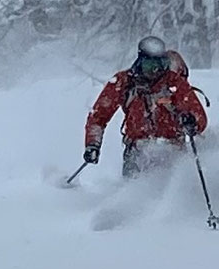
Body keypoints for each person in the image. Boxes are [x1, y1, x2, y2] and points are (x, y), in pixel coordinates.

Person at [83, 35, 208, 177]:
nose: (155, 72)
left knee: (173, 191)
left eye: (159, 65)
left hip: (172, 151)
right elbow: (99, 116)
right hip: (137, 152)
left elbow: (199, 116)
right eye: (149, 65)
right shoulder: (124, 82)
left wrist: (191, 121)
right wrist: (93, 144)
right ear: (139, 61)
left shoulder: (174, 82)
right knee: (133, 193)